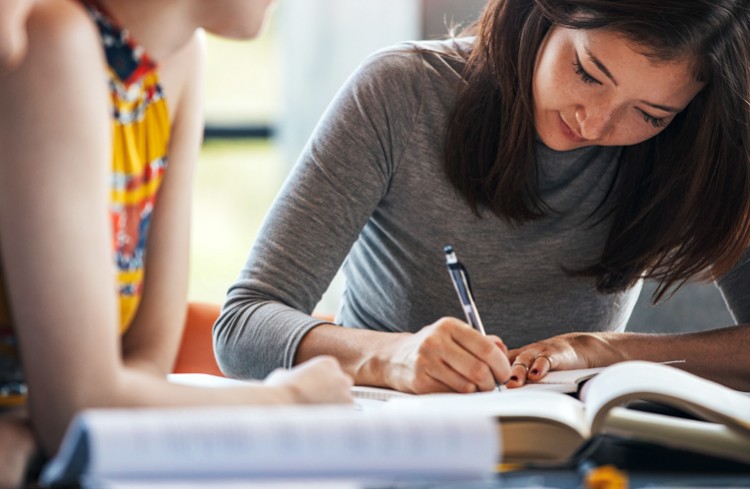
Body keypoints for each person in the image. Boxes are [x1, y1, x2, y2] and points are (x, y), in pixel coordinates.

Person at [214, 0, 750, 395]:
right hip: (387, 445)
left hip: (569, 461)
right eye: (587, 72)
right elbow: (242, 325)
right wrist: (390, 357)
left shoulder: (693, 148)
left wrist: (604, 351)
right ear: (546, 13)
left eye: (649, 114)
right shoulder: (401, 93)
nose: (595, 121)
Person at [0, 0, 354, 474]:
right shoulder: (53, 40)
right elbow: (82, 406)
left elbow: (142, 366)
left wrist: (49, 424)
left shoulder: (177, 63)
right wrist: (287, 400)